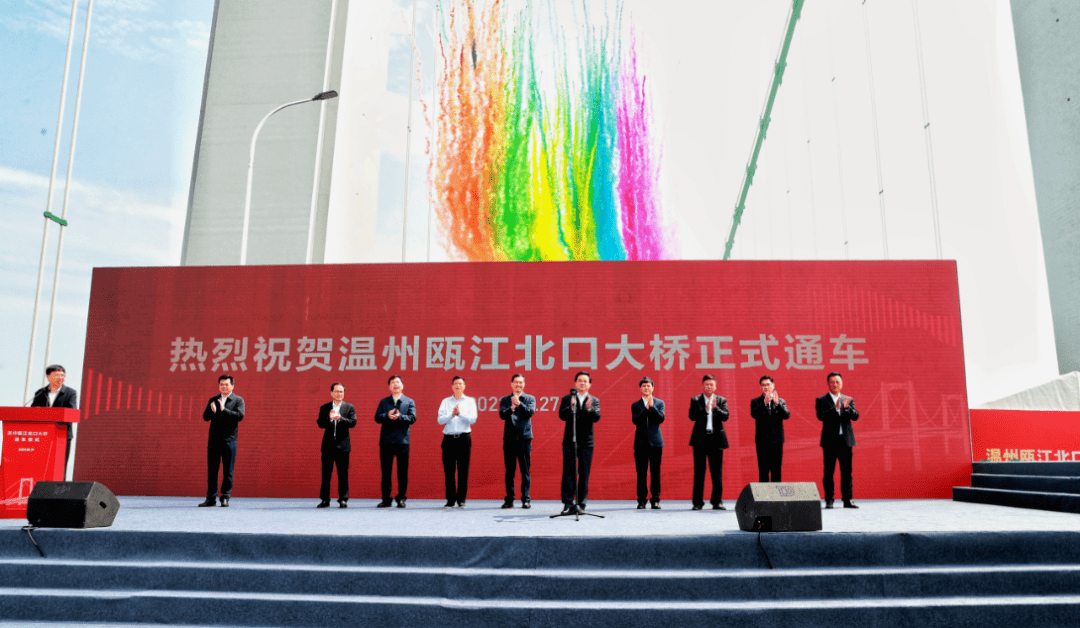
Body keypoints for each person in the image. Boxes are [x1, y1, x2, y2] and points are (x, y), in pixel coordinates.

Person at [558, 371, 601, 515]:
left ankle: (582, 503)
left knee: (584, 474)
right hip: (569, 441)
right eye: (580, 380)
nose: (582, 383)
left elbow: (596, 417)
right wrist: (570, 408)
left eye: (585, 381)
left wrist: (589, 409)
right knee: (568, 473)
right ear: (575, 383)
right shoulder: (567, 398)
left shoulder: (594, 400)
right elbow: (562, 415)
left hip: (587, 442)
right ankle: (568, 503)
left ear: (590, 384)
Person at [199, 374, 244, 507]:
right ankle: (211, 498)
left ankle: (225, 497)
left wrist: (224, 410)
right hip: (214, 441)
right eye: (221, 384)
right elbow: (205, 417)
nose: (224, 387)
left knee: (228, 471)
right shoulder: (213, 399)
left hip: (230, 440)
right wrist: (212, 411)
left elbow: (239, 416)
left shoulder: (238, 400)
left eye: (226, 384)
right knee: (212, 471)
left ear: (232, 386)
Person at [817, 372, 859, 509]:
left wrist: (847, 408)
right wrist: (835, 409)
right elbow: (821, 416)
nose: (835, 384)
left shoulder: (848, 399)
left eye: (837, 382)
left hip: (846, 441)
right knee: (829, 472)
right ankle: (829, 500)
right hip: (830, 442)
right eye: (832, 382)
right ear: (828, 384)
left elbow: (855, 416)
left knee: (847, 472)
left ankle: (847, 500)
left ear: (842, 384)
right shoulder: (821, 400)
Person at [374, 375, 416, 508]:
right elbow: (377, 418)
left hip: (402, 442)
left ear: (402, 385)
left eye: (398, 382)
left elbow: (412, 418)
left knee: (402, 472)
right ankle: (386, 499)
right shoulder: (384, 402)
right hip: (386, 442)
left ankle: (401, 498)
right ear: (389, 386)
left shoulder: (409, 401)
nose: (395, 384)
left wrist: (400, 417)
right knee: (386, 472)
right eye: (392, 382)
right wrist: (387, 415)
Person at [688, 374, 729, 510]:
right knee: (699, 472)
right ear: (703, 386)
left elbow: (726, 416)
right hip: (700, 440)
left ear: (715, 386)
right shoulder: (696, 400)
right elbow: (692, 416)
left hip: (716, 440)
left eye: (711, 384)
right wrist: (705, 410)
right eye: (707, 384)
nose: (709, 386)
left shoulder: (721, 400)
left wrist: (715, 408)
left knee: (717, 473)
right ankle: (697, 503)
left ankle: (717, 502)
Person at [30, 364, 78, 477]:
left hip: (62, 435)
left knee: (60, 467)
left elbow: (71, 412)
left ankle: (59, 488)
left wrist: (47, 413)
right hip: (42, 435)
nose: (60, 378)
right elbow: (32, 412)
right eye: (57, 375)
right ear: (48, 376)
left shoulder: (70, 393)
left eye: (62, 375)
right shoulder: (40, 393)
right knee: (42, 466)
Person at [437, 375, 478, 508]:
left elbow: (473, 419)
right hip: (448, 439)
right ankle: (450, 500)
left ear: (464, 386)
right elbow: (440, 420)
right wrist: (452, 414)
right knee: (449, 471)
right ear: (452, 386)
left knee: (463, 470)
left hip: (464, 438)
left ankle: (461, 499)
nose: (458, 386)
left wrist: (460, 414)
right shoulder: (445, 401)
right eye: (455, 383)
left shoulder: (470, 401)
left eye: (460, 384)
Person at [317, 382, 357, 508]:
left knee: (343, 474)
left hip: (343, 446)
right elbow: (320, 423)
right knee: (326, 474)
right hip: (328, 446)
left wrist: (340, 418)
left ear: (344, 393)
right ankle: (325, 500)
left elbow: (353, 422)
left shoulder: (349, 407)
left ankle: (343, 499)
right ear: (331, 393)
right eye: (337, 391)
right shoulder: (325, 407)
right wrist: (329, 419)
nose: (339, 393)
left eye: (341, 391)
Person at [499, 373, 536, 509]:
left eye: (521, 382)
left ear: (524, 384)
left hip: (524, 438)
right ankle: (509, 499)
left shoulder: (530, 398)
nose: (518, 385)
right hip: (509, 439)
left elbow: (529, 412)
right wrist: (511, 408)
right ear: (511, 384)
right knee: (510, 471)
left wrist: (519, 404)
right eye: (516, 382)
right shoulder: (505, 399)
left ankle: (526, 499)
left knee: (525, 470)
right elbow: (502, 415)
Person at [631, 377, 665, 509]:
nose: (646, 388)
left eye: (648, 386)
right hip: (640, 444)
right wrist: (646, 409)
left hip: (656, 443)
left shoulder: (659, 403)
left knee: (655, 472)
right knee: (641, 473)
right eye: (644, 386)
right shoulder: (636, 405)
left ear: (653, 388)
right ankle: (641, 500)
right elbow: (636, 420)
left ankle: (655, 499)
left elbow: (660, 419)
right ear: (640, 388)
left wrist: (652, 407)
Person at [749, 375, 789, 483]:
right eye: (763, 385)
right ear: (760, 387)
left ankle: (776, 494)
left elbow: (786, 415)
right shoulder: (756, 401)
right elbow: (754, 414)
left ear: (773, 385)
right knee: (763, 472)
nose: (766, 387)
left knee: (776, 471)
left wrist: (778, 404)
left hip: (777, 441)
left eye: (768, 384)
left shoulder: (780, 401)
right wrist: (764, 403)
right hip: (762, 441)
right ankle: (764, 494)